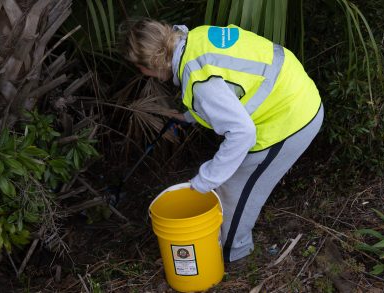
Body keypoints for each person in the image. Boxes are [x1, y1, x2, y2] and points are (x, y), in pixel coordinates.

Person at [122, 19, 324, 263]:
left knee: (232, 192)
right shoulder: (196, 38)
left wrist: (204, 180)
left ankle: (237, 258)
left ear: (151, 63)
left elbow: (242, 133)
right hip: (295, 92)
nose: (142, 74)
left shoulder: (197, 79)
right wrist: (189, 116)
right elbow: (228, 83)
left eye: (139, 68)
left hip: (289, 119)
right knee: (229, 181)